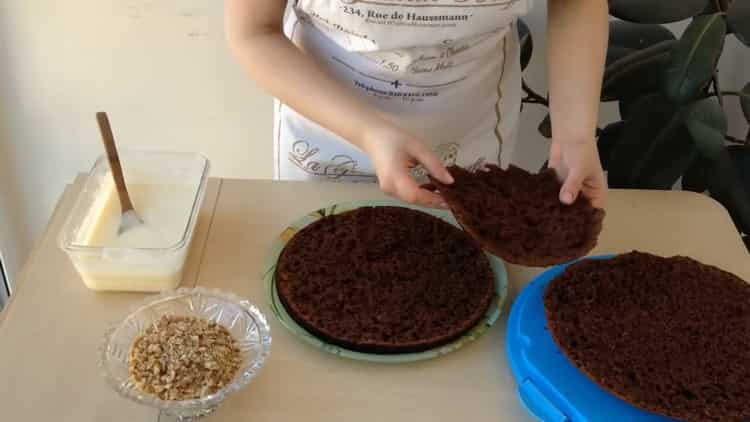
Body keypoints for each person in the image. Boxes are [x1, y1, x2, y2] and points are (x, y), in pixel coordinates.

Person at [225, 0, 608, 209]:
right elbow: (254, 31)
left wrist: (575, 135)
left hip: (467, 123)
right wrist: (369, 132)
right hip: (329, 124)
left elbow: (577, 4)